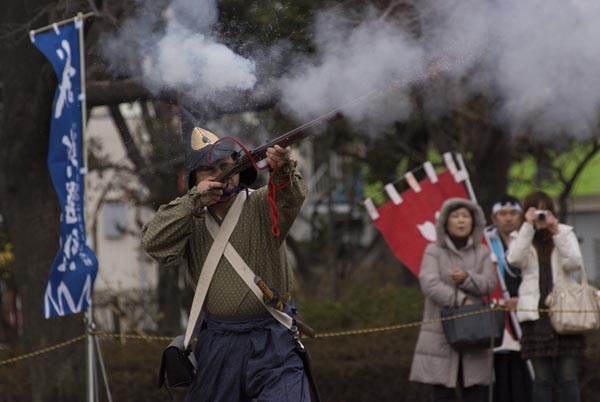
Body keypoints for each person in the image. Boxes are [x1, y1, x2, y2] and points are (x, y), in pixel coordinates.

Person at [141, 115, 311, 402]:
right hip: (217, 342)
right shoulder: (189, 217)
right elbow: (153, 242)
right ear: (194, 180)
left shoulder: (259, 202)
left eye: (223, 167)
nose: (218, 174)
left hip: (272, 338)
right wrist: (194, 201)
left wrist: (282, 170)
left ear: (237, 168)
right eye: (207, 170)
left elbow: (289, 199)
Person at [410, 198, 498, 402]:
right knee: (442, 393)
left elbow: (489, 283)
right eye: (455, 216)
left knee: (476, 392)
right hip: (440, 331)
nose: (461, 221)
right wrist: (461, 300)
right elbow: (429, 283)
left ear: (474, 222)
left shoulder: (482, 251)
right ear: (445, 222)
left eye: (466, 216)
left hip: (474, 332)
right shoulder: (433, 250)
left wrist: (467, 278)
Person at [506, 191, 585, 402]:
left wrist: (555, 230)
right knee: (542, 378)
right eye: (535, 209)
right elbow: (514, 259)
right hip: (534, 314)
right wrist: (527, 226)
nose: (541, 215)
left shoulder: (565, 233)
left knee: (567, 376)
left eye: (545, 209)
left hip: (564, 311)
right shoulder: (520, 236)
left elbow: (575, 263)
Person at [485, 195, 532, 402]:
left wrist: (521, 299)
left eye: (513, 213)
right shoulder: (484, 241)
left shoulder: (528, 239)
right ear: (494, 218)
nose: (508, 218)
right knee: (501, 373)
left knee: (525, 372)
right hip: (497, 315)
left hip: (526, 313)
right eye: (503, 214)